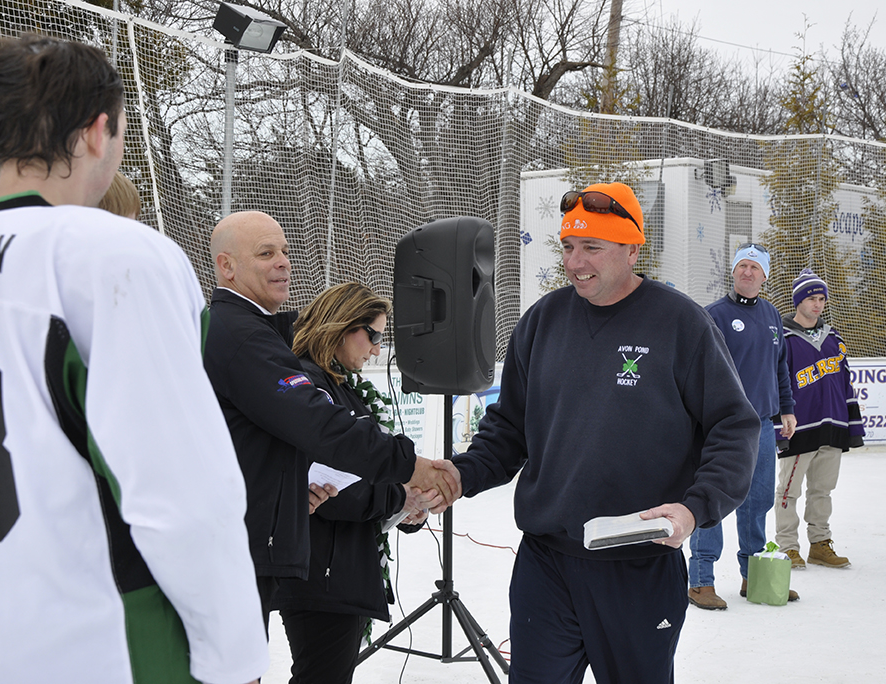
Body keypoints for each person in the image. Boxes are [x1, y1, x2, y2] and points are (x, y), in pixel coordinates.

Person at [0, 35, 267, 684]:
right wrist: (235, 656)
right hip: (100, 643)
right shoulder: (116, 254)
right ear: (97, 131)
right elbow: (179, 490)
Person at [448, 182, 760, 683]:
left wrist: (694, 508)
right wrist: (458, 477)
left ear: (632, 249)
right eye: (568, 247)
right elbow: (508, 430)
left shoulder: (681, 323)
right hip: (547, 563)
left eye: (592, 247)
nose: (575, 262)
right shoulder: (542, 321)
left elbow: (734, 425)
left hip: (640, 564)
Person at [203, 210, 459, 630]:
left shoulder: (258, 332)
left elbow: (269, 445)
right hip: (244, 551)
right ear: (226, 266)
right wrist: (410, 471)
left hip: (253, 545)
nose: (283, 262)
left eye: (285, 251)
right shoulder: (241, 336)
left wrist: (291, 490)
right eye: (266, 253)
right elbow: (317, 424)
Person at [271, 281, 431, 684]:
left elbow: (363, 476)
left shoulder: (341, 387)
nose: (376, 350)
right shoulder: (309, 385)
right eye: (373, 336)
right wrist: (400, 497)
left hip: (337, 572)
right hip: (321, 575)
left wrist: (405, 506)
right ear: (341, 326)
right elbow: (334, 490)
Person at [688, 243, 798, 610]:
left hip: (762, 425)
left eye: (754, 267)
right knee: (712, 499)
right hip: (720, 426)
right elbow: (696, 370)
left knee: (758, 501)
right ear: (733, 272)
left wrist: (786, 409)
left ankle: (755, 577)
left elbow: (780, 367)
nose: (747, 272)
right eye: (742, 266)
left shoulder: (772, 315)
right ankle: (701, 581)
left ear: (765, 276)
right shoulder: (714, 315)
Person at [773, 268, 864, 570]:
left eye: (821, 299)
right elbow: (776, 384)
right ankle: (787, 545)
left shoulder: (833, 338)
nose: (817, 304)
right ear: (798, 301)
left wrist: (851, 424)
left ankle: (820, 543)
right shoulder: (783, 338)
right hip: (798, 428)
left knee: (822, 490)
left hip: (832, 425)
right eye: (811, 298)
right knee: (788, 491)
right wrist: (779, 424)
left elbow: (846, 383)